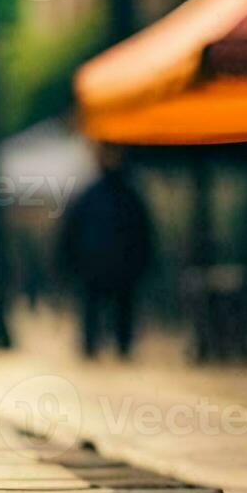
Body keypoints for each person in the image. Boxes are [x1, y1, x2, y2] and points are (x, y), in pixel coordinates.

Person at [57, 145, 154, 357]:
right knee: (105, 310)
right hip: (105, 266)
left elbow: (142, 233)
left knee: (114, 310)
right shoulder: (126, 195)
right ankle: (103, 347)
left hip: (108, 266)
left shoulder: (99, 196)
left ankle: (110, 347)